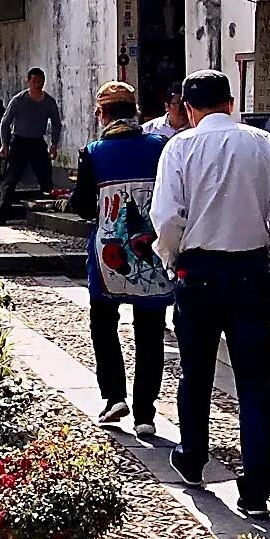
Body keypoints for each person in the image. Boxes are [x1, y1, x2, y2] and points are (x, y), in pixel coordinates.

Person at [150, 70, 270, 518]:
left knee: (195, 372)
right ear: (231, 103)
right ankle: (256, 486)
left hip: (196, 271)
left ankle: (193, 457)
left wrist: (172, 258)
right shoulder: (263, 144)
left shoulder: (179, 147)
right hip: (249, 271)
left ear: (189, 109)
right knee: (255, 380)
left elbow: (168, 217)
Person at [69, 82, 173, 437]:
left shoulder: (93, 152)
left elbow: (82, 205)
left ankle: (114, 396)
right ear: (136, 112)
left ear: (102, 115)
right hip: (152, 252)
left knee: (103, 324)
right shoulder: (160, 147)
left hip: (108, 256)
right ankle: (145, 412)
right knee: (150, 332)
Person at [0, 67, 62, 220]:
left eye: (40, 82)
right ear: (28, 82)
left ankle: (52, 211)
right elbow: (5, 122)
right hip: (19, 142)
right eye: (34, 82)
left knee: (45, 177)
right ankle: (2, 213)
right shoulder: (19, 100)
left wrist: (54, 144)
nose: (37, 85)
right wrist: (4, 144)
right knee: (11, 179)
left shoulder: (49, 102)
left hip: (38, 142)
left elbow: (56, 123)